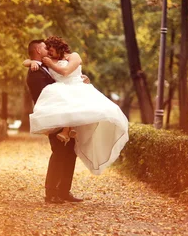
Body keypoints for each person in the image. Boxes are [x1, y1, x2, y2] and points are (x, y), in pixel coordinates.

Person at [25, 37, 129, 204]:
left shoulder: (45, 65)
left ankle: (64, 190)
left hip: (67, 113)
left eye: (51, 49)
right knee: (59, 152)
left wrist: (80, 80)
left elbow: (64, 76)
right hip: (55, 115)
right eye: (45, 48)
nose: (48, 51)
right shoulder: (36, 71)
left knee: (69, 152)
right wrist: (31, 62)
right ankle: (51, 192)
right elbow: (44, 95)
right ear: (38, 50)